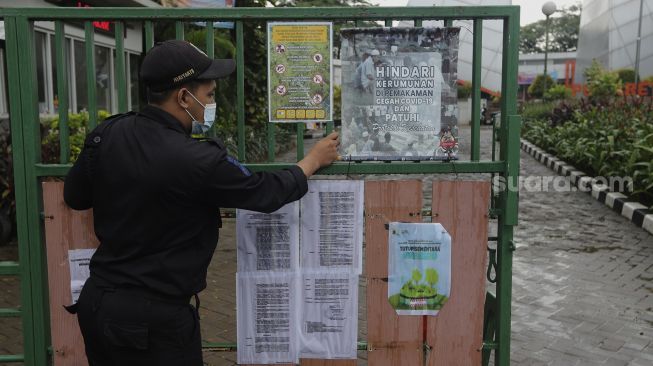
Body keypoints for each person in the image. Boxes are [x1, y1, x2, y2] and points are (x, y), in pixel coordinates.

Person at [63, 40, 339, 366]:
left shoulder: (106, 133)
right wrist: (312, 161)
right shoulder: (196, 160)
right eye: (208, 95)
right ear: (183, 96)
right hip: (155, 321)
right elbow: (264, 192)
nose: (212, 103)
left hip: (98, 306)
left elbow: (75, 198)